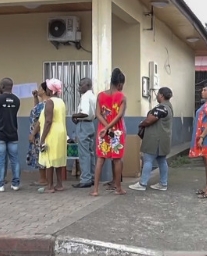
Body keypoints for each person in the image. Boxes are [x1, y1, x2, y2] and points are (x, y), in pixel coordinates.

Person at [91, 68, 128, 196]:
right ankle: (118, 188)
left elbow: (98, 114)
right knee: (117, 159)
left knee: (100, 159)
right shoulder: (122, 97)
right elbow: (119, 115)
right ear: (120, 84)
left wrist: (105, 127)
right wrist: (110, 127)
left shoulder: (100, 95)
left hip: (102, 131)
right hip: (117, 131)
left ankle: (95, 190)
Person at [130, 87, 174, 191]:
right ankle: (163, 183)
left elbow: (149, 120)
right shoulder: (169, 107)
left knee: (148, 160)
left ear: (161, 95)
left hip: (155, 139)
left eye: (158, 94)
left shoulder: (161, 108)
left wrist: (142, 123)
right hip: (164, 139)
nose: (157, 96)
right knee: (162, 160)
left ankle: (142, 183)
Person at [0, 77, 21, 192]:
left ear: (1, 87)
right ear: (12, 87)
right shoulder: (16, 100)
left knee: (0, 160)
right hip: (13, 133)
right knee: (14, 160)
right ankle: (16, 184)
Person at [189, 83, 207, 199]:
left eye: (205, 90)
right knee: (206, 162)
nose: (202, 92)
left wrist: (202, 136)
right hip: (205, 136)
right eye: (202, 90)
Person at [38, 79, 68, 193]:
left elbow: (48, 121)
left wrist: (42, 138)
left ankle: (50, 186)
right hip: (61, 132)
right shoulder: (61, 102)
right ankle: (59, 184)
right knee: (58, 158)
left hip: (52, 132)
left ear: (50, 90)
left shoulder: (50, 102)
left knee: (49, 159)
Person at [71, 78, 97, 189]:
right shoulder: (93, 96)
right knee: (90, 153)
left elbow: (85, 113)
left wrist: (74, 115)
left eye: (81, 85)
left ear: (87, 85)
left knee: (84, 153)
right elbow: (94, 114)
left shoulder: (85, 96)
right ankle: (91, 177)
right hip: (91, 125)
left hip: (84, 125)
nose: (79, 87)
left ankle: (85, 179)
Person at [26, 85, 48, 186]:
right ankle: (44, 178)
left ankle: (43, 179)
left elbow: (39, 121)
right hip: (39, 132)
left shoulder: (45, 104)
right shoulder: (43, 104)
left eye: (40, 88)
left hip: (39, 133)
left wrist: (33, 134)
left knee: (41, 155)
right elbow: (36, 112)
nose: (38, 90)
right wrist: (35, 98)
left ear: (44, 91)